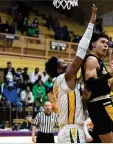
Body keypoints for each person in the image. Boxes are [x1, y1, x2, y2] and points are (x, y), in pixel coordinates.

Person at [45, 5, 97, 143]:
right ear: (58, 70)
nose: (68, 63)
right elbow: (81, 51)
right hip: (72, 132)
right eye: (64, 63)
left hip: (67, 131)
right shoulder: (65, 77)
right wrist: (91, 23)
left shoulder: (59, 83)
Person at [81, 26, 113, 143]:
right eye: (103, 42)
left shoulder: (100, 62)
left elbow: (107, 89)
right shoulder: (91, 60)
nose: (106, 45)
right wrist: (110, 74)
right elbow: (90, 84)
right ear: (93, 44)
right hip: (101, 107)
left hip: (104, 105)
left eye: (107, 43)